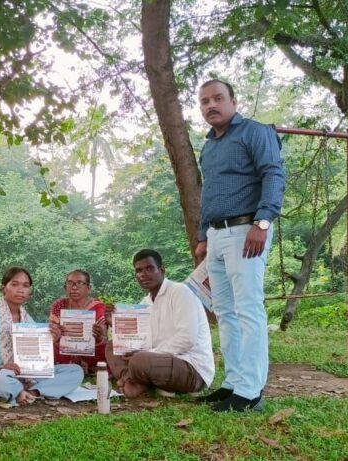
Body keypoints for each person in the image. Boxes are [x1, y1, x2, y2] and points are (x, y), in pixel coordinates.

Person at [193, 79, 285, 412]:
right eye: (204, 101)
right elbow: (209, 192)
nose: (211, 106)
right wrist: (204, 235)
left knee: (248, 309)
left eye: (218, 98)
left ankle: (250, 391)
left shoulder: (255, 132)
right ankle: (233, 383)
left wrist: (262, 223)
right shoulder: (210, 145)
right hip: (217, 235)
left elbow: (273, 174)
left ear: (233, 101)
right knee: (225, 313)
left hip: (247, 229)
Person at [0, 267, 83, 407]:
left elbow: (37, 357)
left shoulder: (27, 319)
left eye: (25, 286)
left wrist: (52, 339)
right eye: (15, 284)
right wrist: (0, 369)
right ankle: (19, 390)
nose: (21, 289)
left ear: (30, 291)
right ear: (3, 288)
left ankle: (30, 393)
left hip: (23, 375)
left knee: (75, 371)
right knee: (1, 382)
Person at [105, 249, 214, 398]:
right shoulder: (145, 303)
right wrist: (116, 323)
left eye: (149, 268)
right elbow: (137, 341)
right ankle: (134, 380)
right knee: (112, 347)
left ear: (161, 270)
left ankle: (137, 381)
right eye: (139, 271)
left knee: (139, 360)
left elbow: (187, 339)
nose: (143, 274)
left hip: (191, 367)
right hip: (156, 361)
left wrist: (149, 353)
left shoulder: (180, 292)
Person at [48, 269, 107, 375]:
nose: (74, 287)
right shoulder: (59, 305)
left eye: (79, 283)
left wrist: (99, 336)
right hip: (65, 350)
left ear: (88, 288)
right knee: (50, 346)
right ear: (65, 287)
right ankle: (69, 368)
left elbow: (103, 336)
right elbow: (52, 332)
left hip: (90, 350)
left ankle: (86, 367)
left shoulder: (98, 307)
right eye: (70, 283)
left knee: (106, 347)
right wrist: (56, 333)